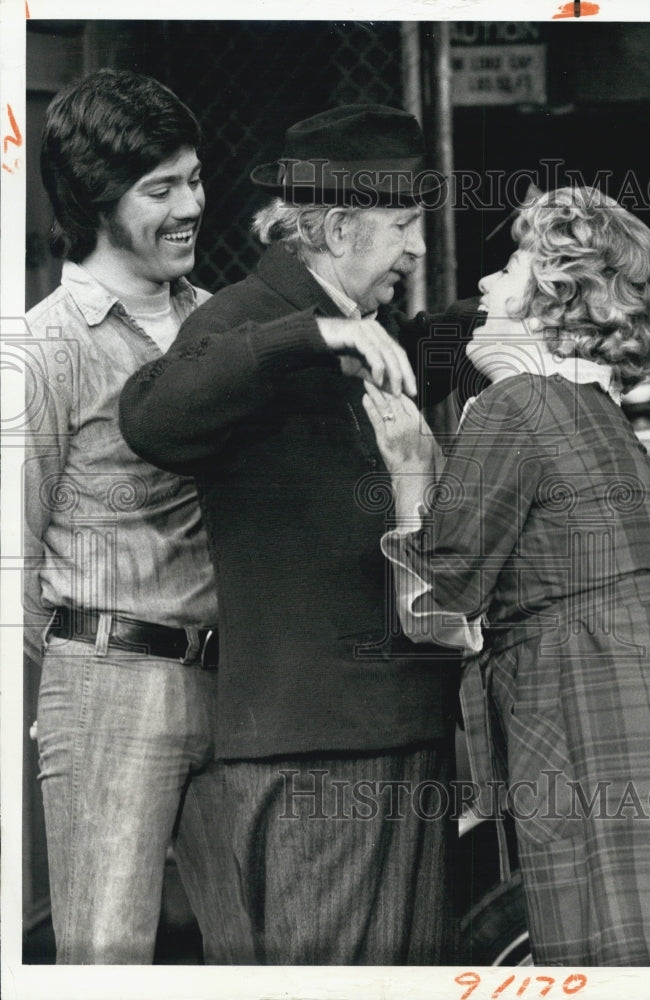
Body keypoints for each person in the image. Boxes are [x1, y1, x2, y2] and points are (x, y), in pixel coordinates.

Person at [119, 105, 468, 964]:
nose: (418, 248)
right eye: (404, 225)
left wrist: (524, 305)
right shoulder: (253, 320)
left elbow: (427, 350)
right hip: (322, 751)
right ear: (339, 228)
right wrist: (311, 334)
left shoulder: (373, 329)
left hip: (394, 731)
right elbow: (152, 417)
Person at [362, 186, 650, 966]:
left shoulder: (518, 402)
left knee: (604, 942)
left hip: (586, 709)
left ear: (550, 297)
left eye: (508, 269)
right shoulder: (594, 411)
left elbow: (440, 596)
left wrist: (411, 474)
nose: (485, 285)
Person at [24, 68, 233, 964]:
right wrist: (87, 672)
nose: (191, 206)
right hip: (111, 679)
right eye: (160, 189)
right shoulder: (42, 347)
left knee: (256, 952)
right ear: (96, 201)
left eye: (194, 178)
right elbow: (10, 565)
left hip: (237, 684)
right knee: (107, 959)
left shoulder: (222, 323)